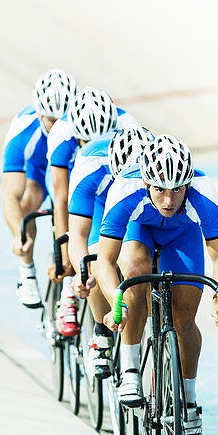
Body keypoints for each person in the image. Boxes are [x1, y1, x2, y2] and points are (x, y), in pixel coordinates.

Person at [95, 135, 218, 435]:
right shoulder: (125, 191)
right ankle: (130, 366)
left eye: (177, 190)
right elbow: (104, 261)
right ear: (146, 183)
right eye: (159, 189)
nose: (169, 200)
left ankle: (187, 401)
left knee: (184, 319)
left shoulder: (204, 194)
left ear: (189, 184)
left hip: (183, 237)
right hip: (140, 230)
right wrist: (116, 302)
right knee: (134, 271)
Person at [62, 127, 153, 376]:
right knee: (95, 257)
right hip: (103, 205)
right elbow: (78, 234)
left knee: (138, 262)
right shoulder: (89, 167)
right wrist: (82, 273)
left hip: (144, 204)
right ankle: (102, 331)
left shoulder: (156, 164)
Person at [1, 69, 76, 308]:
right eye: (52, 121)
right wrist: (17, 233)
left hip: (70, 166)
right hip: (39, 167)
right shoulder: (23, 133)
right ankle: (27, 271)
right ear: (39, 114)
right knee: (27, 202)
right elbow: (10, 194)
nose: (57, 128)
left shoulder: (81, 125)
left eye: (63, 120)